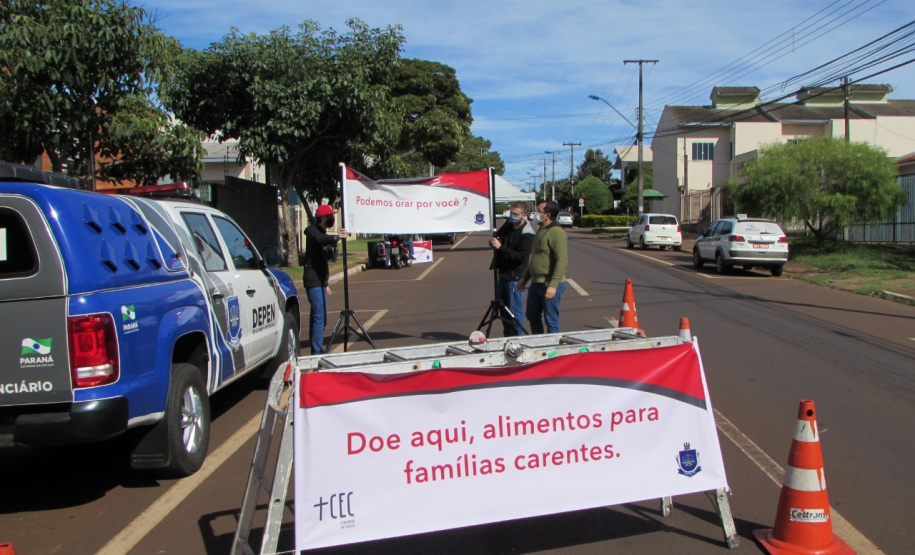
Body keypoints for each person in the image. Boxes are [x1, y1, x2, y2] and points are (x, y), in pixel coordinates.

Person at [303, 204, 349, 354]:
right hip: (312, 281)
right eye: (330, 216)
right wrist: (336, 238)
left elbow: (321, 262)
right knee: (319, 317)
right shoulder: (312, 231)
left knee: (321, 317)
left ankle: (315, 349)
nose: (332, 219)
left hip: (320, 282)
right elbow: (320, 239)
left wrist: (326, 283)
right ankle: (316, 352)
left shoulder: (322, 232)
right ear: (323, 218)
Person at [517, 201, 568, 334]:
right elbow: (536, 258)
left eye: (539, 211)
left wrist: (553, 285)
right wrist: (525, 278)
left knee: (551, 319)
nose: (536, 213)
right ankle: (539, 343)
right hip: (536, 282)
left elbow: (561, 260)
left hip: (549, 283)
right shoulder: (541, 229)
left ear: (547, 215)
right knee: (532, 315)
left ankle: (554, 350)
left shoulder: (557, 232)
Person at [489, 201, 535, 336]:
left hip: (515, 276)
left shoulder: (527, 233)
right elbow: (500, 237)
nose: (512, 216)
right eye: (511, 213)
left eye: (515, 214)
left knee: (515, 310)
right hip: (503, 272)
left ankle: (517, 337)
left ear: (523, 215)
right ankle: (508, 336)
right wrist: (494, 241)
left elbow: (520, 257)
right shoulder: (509, 224)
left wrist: (500, 247)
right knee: (503, 308)